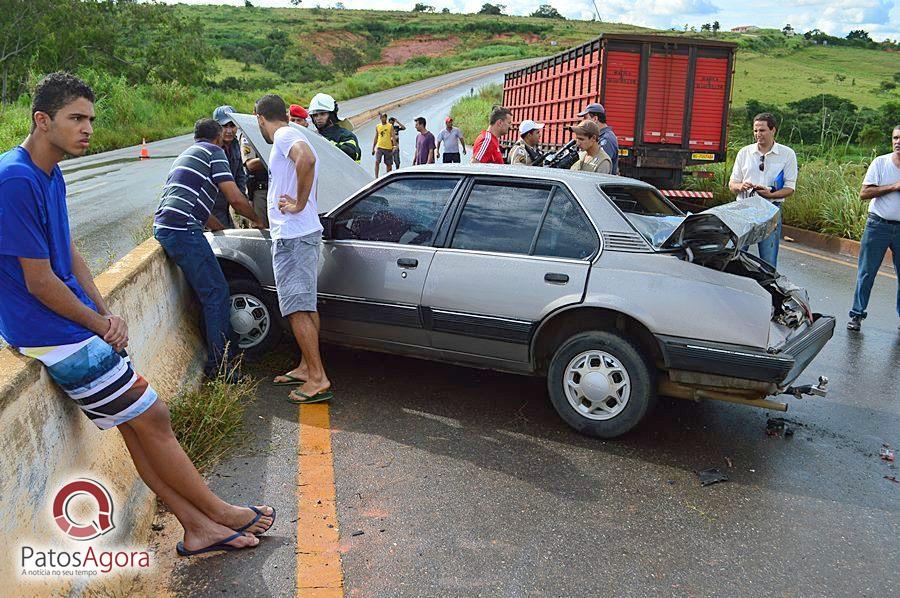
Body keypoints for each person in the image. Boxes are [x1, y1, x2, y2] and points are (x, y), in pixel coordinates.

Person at [0, 72, 273, 558]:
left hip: (70, 326)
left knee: (140, 424)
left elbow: (71, 255)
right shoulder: (15, 179)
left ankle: (197, 525)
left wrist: (106, 312)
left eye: (90, 119)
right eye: (76, 119)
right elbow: (38, 281)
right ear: (42, 121)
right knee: (153, 416)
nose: (87, 129)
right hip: (49, 331)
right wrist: (98, 325)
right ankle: (220, 513)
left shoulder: (50, 172)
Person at [154, 118, 261, 380]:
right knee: (216, 293)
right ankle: (221, 367)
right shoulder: (215, 153)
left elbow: (198, 208)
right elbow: (235, 198)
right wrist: (259, 221)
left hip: (169, 225)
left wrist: (219, 230)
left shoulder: (188, 154)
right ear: (217, 138)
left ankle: (228, 353)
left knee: (213, 290)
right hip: (183, 229)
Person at [255, 94, 332, 404]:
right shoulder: (295, 133)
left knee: (296, 308)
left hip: (293, 237)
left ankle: (317, 378)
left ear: (259, 117)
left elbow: (307, 160)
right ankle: (306, 367)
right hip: (302, 235)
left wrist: (298, 204)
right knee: (305, 305)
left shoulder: (285, 135)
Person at [847, 125, 900, 332]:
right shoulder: (881, 163)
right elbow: (864, 193)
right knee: (867, 273)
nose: (898, 142)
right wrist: (894, 187)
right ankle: (857, 315)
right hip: (878, 225)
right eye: (895, 137)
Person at [728, 112, 798, 269]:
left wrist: (771, 194)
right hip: (744, 209)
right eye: (755, 131)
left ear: (773, 130)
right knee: (734, 256)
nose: (758, 134)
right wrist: (741, 186)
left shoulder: (787, 154)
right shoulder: (744, 152)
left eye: (762, 130)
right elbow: (732, 184)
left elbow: (790, 188)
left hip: (770, 210)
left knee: (768, 262)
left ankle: (767, 292)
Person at [211, 105, 248, 228]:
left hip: (227, 203)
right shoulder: (211, 149)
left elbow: (239, 175)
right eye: (224, 126)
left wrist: (243, 206)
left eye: (232, 126)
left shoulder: (235, 144)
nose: (229, 131)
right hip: (212, 205)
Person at [308, 92, 361, 162]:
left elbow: (351, 153)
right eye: (315, 115)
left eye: (322, 114)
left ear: (331, 115)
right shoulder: (314, 136)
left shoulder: (346, 135)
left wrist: (323, 142)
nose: (318, 118)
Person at [578, 102, 619, 175]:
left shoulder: (606, 140)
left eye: (585, 118)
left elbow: (600, 166)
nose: (583, 121)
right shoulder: (599, 137)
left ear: (595, 119)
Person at [240, 127, 270, 228]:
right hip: (261, 191)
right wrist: (277, 157)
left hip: (282, 189)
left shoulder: (280, 131)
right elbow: (251, 164)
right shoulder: (249, 133)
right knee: (261, 229)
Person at [372, 112, 394, 176]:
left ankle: (388, 176)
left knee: (388, 164)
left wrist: (394, 146)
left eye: (384, 117)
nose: (383, 119)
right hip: (380, 147)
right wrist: (373, 148)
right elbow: (376, 137)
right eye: (382, 117)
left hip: (388, 147)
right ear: (380, 118)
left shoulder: (390, 126)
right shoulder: (378, 126)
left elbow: (393, 137)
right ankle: (376, 177)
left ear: (386, 118)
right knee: (377, 162)